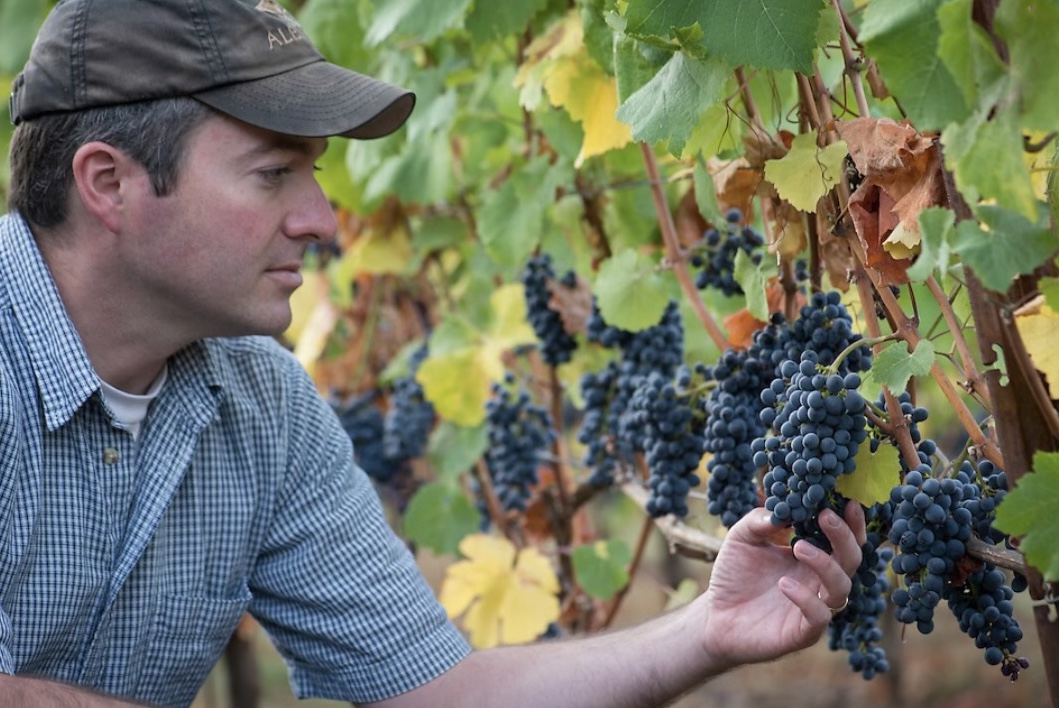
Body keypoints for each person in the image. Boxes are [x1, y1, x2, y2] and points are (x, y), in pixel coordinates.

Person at [0, 1, 865, 706]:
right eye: (272, 175)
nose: (323, 222)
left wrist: (705, 632)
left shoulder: (259, 401)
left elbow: (436, 693)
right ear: (108, 184)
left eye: (317, 176)